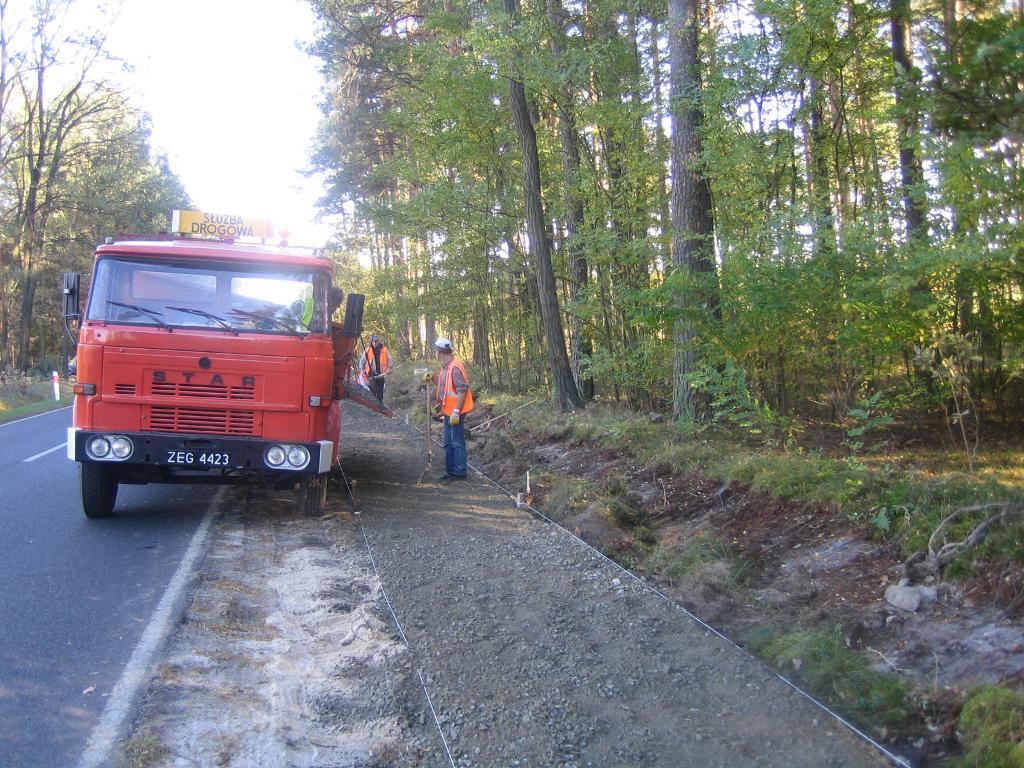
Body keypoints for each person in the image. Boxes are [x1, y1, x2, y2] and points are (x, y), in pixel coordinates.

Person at [433, 337, 474, 482]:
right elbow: (445, 384)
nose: (436, 353)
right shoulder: (446, 366)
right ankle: (450, 471)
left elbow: (462, 390)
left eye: (436, 350)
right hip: (448, 411)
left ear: (441, 351)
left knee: (456, 442)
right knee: (448, 442)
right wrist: (432, 378)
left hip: (455, 412)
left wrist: (457, 411)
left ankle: (459, 472)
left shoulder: (454, 367)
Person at [358, 334, 391, 403]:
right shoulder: (368, 350)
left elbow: (390, 359)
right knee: (373, 391)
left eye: (376, 341)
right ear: (371, 342)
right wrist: (361, 370)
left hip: (381, 374)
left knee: (380, 391)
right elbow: (362, 361)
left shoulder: (384, 349)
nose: (375, 343)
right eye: (373, 341)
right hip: (371, 375)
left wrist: (389, 368)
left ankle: (381, 405)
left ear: (378, 341)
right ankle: (375, 405)